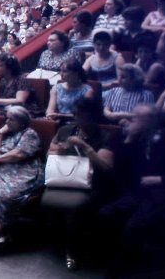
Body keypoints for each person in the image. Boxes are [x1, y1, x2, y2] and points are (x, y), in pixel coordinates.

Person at [98, 104, 165, 275]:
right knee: (106, 214)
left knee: (133, 227)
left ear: (152, 121)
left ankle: (120, 270)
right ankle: (124, 258)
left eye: (137, 118)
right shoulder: (138, 139)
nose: (131, 120)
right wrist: (129, 140)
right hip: (139, 193)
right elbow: (121, 170)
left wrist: (159, 179)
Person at [43, 97, 114, 270]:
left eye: (79, 114)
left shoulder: (105, 136)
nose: (74, 116)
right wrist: (59, 150)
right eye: (74, 113)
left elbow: (106, 167)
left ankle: (72, 251)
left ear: (92, 116)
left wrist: (85, 147)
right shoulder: (66, 129)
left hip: (92, 183)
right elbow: (48, 154)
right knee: (47, 200)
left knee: (74, 207)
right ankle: (58, 244)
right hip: (64, 178)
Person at [0, 105, 44, 252]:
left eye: (11, 119)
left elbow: (19, 154)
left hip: (26, 170)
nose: (7, 121)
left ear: (22, 122)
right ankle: (6, 232)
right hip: (7, 170)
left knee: (8, 195)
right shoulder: (8, 132)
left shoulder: (29, 133)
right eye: (7, 118)